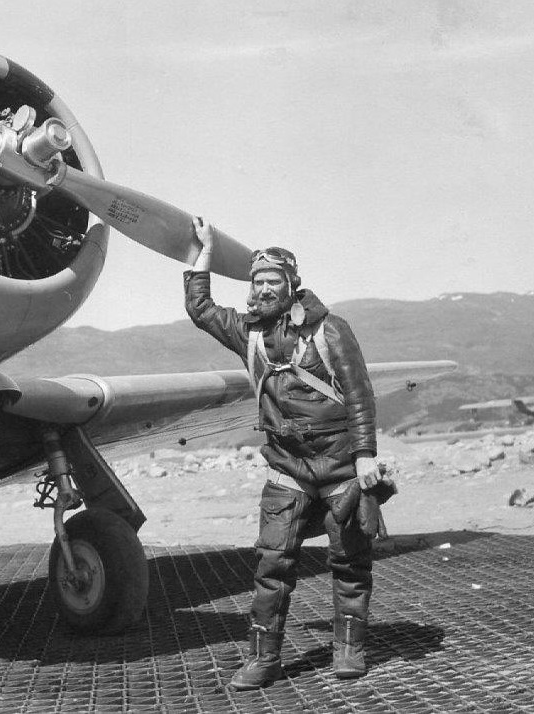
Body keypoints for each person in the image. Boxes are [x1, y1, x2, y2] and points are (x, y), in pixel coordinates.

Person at [184, 217, 387, 690]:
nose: (265, 288)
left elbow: (360, 395)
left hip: (340, 466)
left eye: (274, 280)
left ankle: (349, 650)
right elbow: (200, 308)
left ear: (292, 284)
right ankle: (263, 660)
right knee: (272, 566)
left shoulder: (332, 330)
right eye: (258, 281)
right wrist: (204, 253)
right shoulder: (247, 333)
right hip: (287, 468)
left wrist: (365, 456)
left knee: (350, 563)